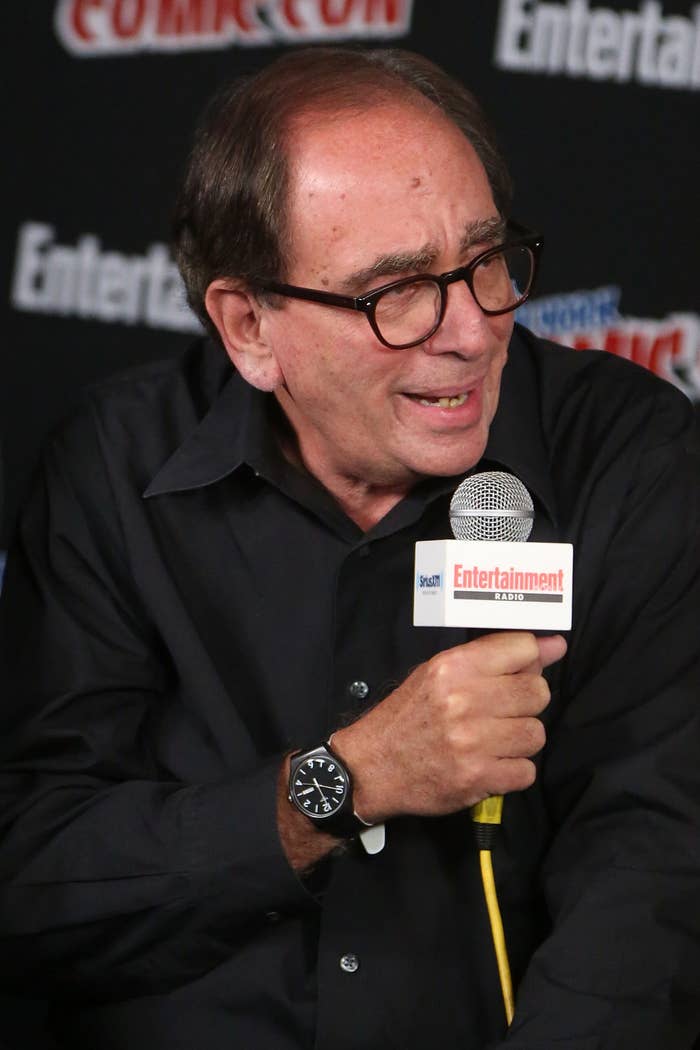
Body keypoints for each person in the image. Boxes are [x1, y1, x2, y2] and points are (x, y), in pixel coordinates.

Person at [0, 46, 699, 1050]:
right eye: (397, 291)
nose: (469, 330)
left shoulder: (629, 458)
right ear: (249, 327)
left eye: (485, 260)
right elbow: (33, 882)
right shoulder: (113, 466)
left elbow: (650, 880)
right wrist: (341, 781)